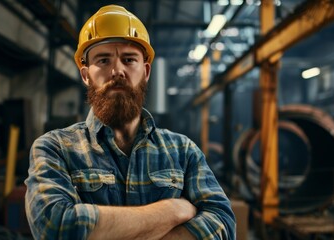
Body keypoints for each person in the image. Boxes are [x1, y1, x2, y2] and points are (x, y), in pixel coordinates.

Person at [25, 4, 236, 240]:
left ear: (145, 71)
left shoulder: (183, 151)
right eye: (103, 60)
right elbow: (56, 226)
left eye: (128, 59)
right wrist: (174, 210)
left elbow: (223, 223)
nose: (117, 70)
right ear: (85, 75)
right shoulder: (55, 148)